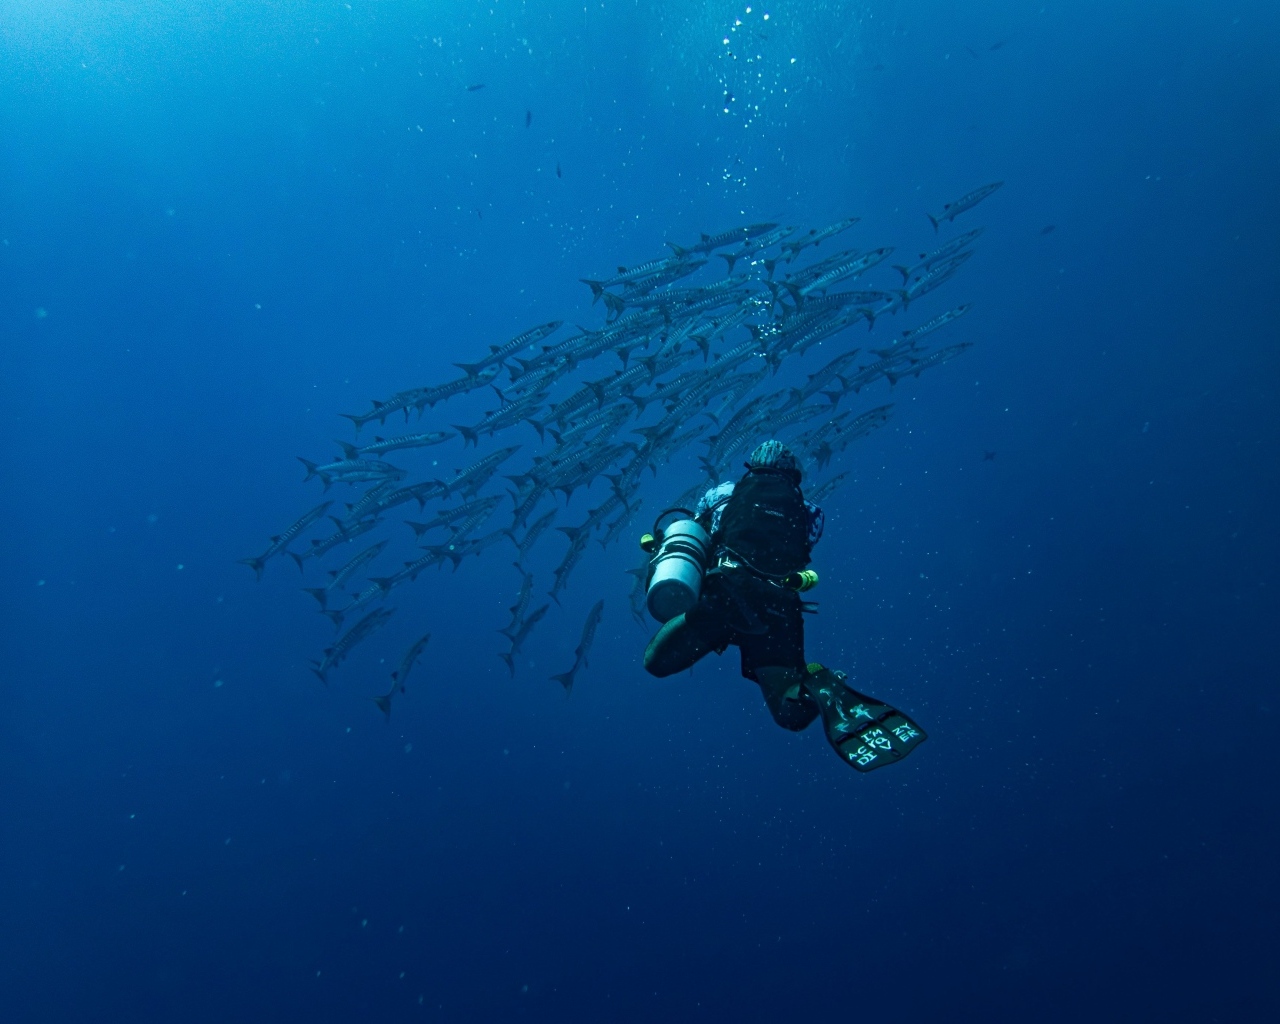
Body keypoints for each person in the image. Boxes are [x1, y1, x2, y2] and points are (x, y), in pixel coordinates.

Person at [642, 440, 927, 771]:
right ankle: (818, 685)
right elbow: (802, 550)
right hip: (780, 605)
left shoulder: (723, 493)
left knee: (656, 662)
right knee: (787, 711)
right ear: (792, 473)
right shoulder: (810, 511)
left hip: (728, 594)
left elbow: (698, 538)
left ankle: (733, 623)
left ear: (753, 465)